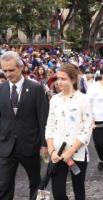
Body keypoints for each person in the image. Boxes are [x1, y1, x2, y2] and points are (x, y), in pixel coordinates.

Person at [0, 51, 49, 199]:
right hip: (6, 146)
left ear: (21, 67)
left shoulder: (36, 88)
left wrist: (45, 144)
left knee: (37, 182)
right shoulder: (0, 90)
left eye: (11, 70)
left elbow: (43, 118)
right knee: (3, 186)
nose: (7, 74)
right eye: (4, 70)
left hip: (30, 145)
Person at [45, 63, 93, 199]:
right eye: (57, 78)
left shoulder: (84, 99)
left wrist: (71, 151)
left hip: (77, 153)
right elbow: (49, 126)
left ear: (72, 80)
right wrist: (51, 151)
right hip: (57, 153)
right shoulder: (54, 100)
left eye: (63, 79)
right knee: (58, 193)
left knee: (79, 191)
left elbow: (87, 127)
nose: (59, 82)